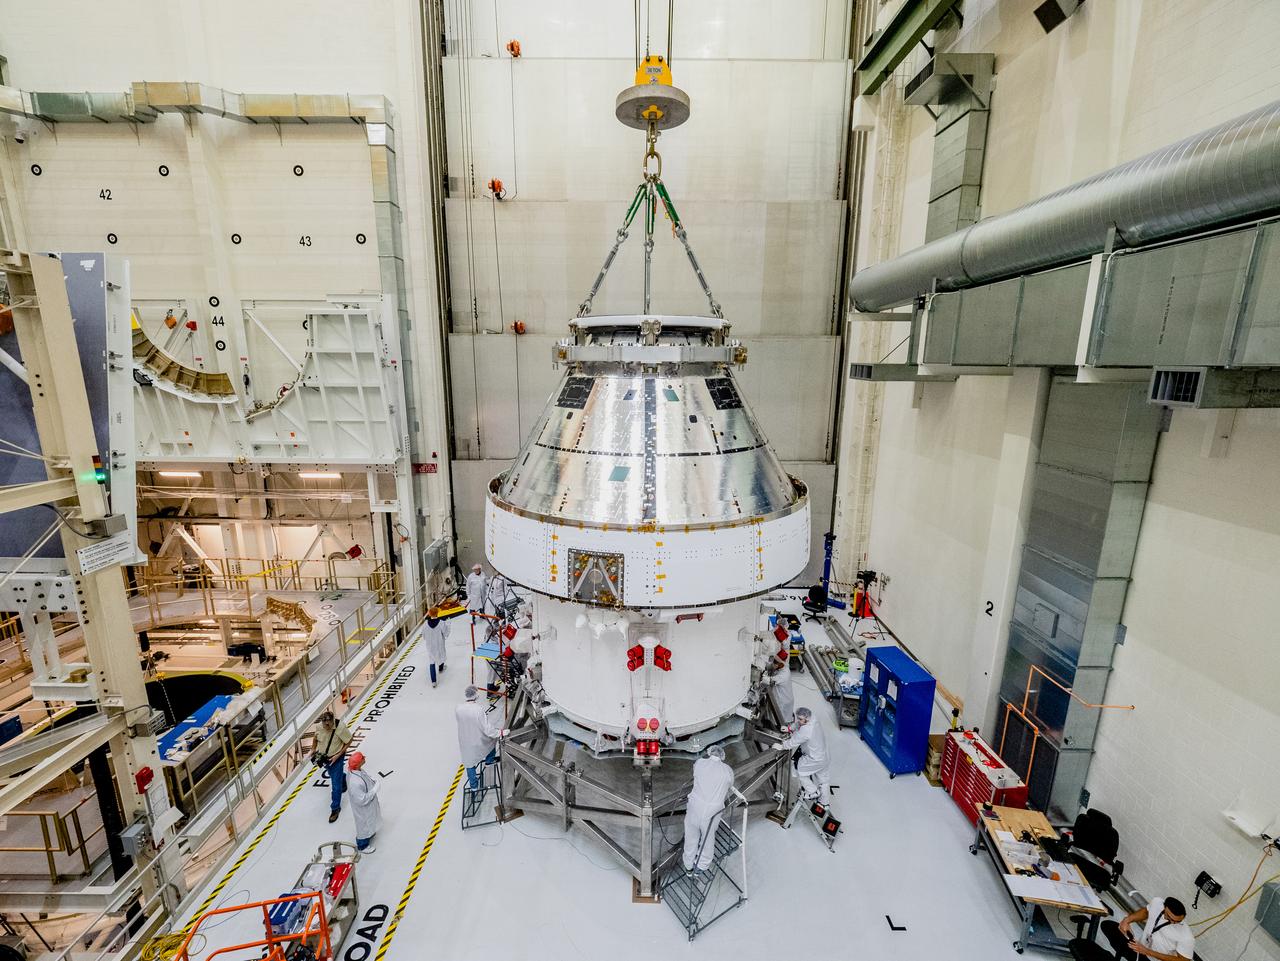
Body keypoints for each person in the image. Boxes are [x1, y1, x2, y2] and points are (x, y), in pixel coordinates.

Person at [682, 745, 734, 874]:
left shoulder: (700, 763)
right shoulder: (727, 771)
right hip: (712, 812)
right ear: (722, 756)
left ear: (709, 752)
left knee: (690, 836)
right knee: (707, 838)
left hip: (695, 807)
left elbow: (695, 772)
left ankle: (688, 865)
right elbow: (730, 784)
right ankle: (701, 866)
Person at [1099, 896, 1194, 960]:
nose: (1173, 923)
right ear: (1164, 907)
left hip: (1152, 958)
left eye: (1178, 921)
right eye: (1170, 918)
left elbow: (1183, 960)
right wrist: (1127, 920)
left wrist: (1148, 951)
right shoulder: (1157, 903)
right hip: (1139, 949)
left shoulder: (1187, 937)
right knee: (1108, 925)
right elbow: (1145, 912)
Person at [772, 706, 831, 804]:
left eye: (800, 719)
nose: (798, 720)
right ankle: (824, 803)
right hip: (824, 756)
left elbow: (794, 741)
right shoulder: (813, 718)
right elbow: (800, 723)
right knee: (823, 780)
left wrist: (782, 746)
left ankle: (812, 791)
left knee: (798, 771)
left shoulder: (807, 730)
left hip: (814, 758)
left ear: (807, 718)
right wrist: (790, 728)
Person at [456, 685, 505, 790]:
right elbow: (487, 730)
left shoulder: (458, 708)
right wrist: (500, 732)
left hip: (464, 740)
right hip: (477, 740)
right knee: (491, 742)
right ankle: (489, 762)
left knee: (469, 762)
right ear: (476, 695)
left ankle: (473, 786)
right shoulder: (478, 709)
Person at [314, 710, 353, 823]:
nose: (326, 727)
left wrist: (338, 755)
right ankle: (343, 780)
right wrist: (313, 749)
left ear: (332, 721)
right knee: (335, 775)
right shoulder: (319, 727)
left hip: (337, 758)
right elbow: (315, 738)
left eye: (328, 724)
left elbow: (349, 741)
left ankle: (335, 808)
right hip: (325, 758)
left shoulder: (340, 728)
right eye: (324, 724)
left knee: (335, 786)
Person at [345, 752, 381, 854]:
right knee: (363, 826)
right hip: (363, 809)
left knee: (370, 822)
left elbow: (365, 777)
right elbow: (362, 800)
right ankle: (362, 845)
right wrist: (374, 790)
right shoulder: (354, 782)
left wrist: (372, 781)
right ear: (358, 763)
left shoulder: (357, 770)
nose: (364, 758)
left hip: (369, 804)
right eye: (362, 758)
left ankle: (369, 834)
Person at [766, 646, 795, 729]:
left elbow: (770, 680)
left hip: (783, 701)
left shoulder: (784, 675)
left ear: (781, 664)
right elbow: (773, 667)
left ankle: (781, 729)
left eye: (775, 662)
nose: (774, 664)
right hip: (782, 698)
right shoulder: (782, 667)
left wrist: (762, 677)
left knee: (780, 720)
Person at [422, 607, 450, 687]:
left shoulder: (425, 624)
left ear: (429, 614)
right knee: (441, 655)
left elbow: (423, 635)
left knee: (432, 662)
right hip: (439, 644)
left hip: (430, 646)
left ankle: (433, 681)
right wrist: (448, 624)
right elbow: (446, 633)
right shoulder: (441, 623)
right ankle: (441, 668)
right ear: (437, 613)